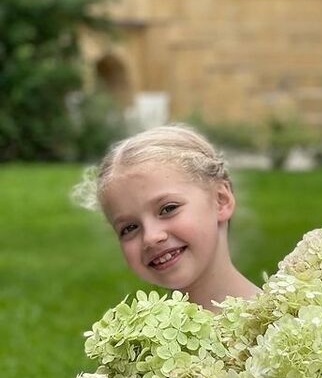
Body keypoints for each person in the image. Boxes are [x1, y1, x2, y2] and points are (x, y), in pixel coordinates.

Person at [73, 124, 259, 310]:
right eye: (129, 228)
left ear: (221, 200)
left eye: (168, 209)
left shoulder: (279, 324)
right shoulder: (136, 336)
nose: (151, 237)